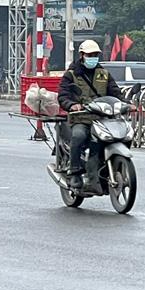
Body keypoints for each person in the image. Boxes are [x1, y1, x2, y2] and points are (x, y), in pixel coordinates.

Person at [57, 39, 125, 192]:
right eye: (90, 55)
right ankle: (74, 172)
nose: (93, 58)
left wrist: (127, 104)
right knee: (79, 136)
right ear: (82, 55)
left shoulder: (104, 74)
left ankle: (106, 169)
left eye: (95, 55)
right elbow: (63, 95)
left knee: (116, 136)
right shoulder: (71, 74)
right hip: (81, 118)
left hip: (102, 118)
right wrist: (71, 105)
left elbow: (115, 92)